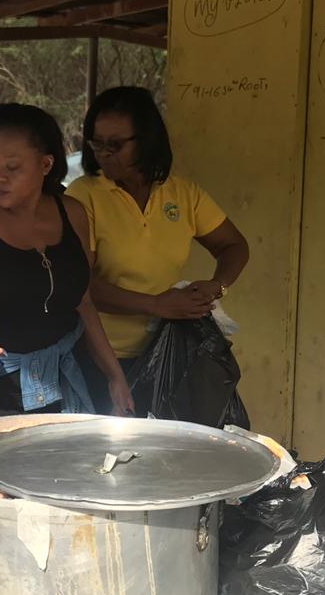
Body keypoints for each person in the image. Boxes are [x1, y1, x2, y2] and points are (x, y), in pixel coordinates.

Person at [0, 103, 132, 426]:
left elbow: (84, 302)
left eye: (12, 167)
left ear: (46, 164)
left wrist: (114, 375)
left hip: (64, 381)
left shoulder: (72, 213)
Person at [65, 86, 249, 406]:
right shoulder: (84, 196)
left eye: (115, 144)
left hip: (168, 350)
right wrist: (155, 305)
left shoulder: (182, 194)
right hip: (102, 357)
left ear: (147, 141)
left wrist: (217, 286)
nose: (104, 153)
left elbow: (234, 245)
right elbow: (80, 285)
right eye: (97, 143)